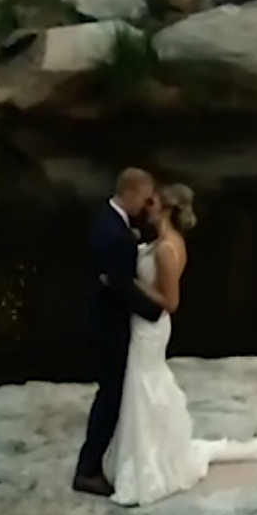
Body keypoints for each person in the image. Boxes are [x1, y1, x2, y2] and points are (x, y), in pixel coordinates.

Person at [105, 183, 257, 505]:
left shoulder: (167, 249)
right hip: (143, 325)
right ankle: (142, 452)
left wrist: (129, 286)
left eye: (152, 202)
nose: (147, 205)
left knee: (144, 383)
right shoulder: (164, 241)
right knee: (141, 384)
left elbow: (170, 301)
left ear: (164, 208)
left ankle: (151, 462)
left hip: (150, 328)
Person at [74, 169, 167, 497]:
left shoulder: (106, 219)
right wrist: (156, 311)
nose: (147, 204)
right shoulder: (117, 236)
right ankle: (87, 468)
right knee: (112, 392)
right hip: (109, 323)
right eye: (145, 197)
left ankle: (106, 457)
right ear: (131, 193)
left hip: (102, 316)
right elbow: (121, 287)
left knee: (115, 390)